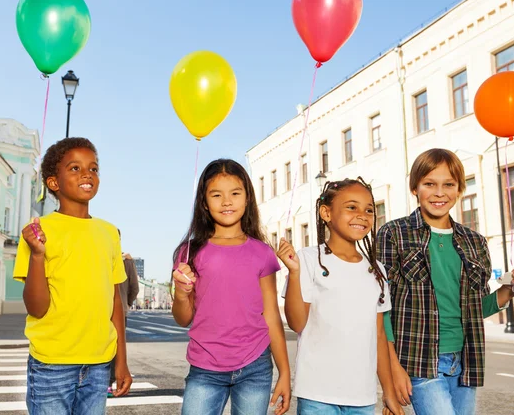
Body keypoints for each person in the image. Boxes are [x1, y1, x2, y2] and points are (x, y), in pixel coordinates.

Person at [377, 148, 514, 415]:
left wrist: (511, 289)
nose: (440, 193)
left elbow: (476, 308)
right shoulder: (393, 233)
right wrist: (393, 369)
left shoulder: (474, 241)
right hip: (418, 362)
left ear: (459, 188)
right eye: (430, 184)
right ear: (415, 188)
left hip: (463, 362)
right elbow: (381, 307)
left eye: (448, 184)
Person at [14, 137, 132, 415]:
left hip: (99, 363)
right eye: (75, 168)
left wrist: (122, 360)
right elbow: (36, 307)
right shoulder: (37, 231)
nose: (87, 174)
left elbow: (115, 301)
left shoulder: (109, 233)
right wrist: (38, 255)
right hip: (52, 363)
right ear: (53, 183)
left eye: (93, 168)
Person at [171, 158, 291, 415]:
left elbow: (271, 314)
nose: (227, 201)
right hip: (205, 366)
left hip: (255, 366)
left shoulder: (262, 252)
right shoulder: (190, 252)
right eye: (216, 194)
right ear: (204, 202)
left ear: (247, 198)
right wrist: (182, 294)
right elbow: (183, 318)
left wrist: (285, 372)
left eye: (235, 193)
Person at [277, 178, 403, 415]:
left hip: (362, 398)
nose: (362, 215)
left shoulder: (377, 271)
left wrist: (388, 392)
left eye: (369, 210)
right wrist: (294, 274)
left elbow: (379, 335)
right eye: (351, 207)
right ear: (326, 213)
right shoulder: (307, 259)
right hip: (317, 394)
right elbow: (296, 323)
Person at [108, 232, 140, 396]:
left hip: (102, 308)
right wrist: (126, 302)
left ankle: (104, 383)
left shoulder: (102, 256)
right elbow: (134, 287)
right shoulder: (127, 261)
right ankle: (109, 383)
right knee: (116, 346)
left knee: (103, 346)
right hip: (120, 311)